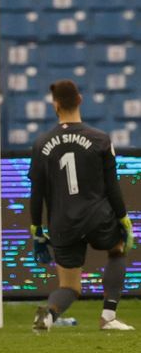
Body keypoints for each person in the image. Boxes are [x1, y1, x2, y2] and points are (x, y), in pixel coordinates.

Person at [29, 79, 135, 331]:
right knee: (117, 250)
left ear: (55, 105)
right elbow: (112, 186)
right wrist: (123, 218)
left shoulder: (41, 144)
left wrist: (36, 228)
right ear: (80, 100)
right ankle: (108, 317)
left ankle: (48, 315)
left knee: (69, 286)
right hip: (97, 216)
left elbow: (37, 192)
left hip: (63, 222)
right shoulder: (100, 139)